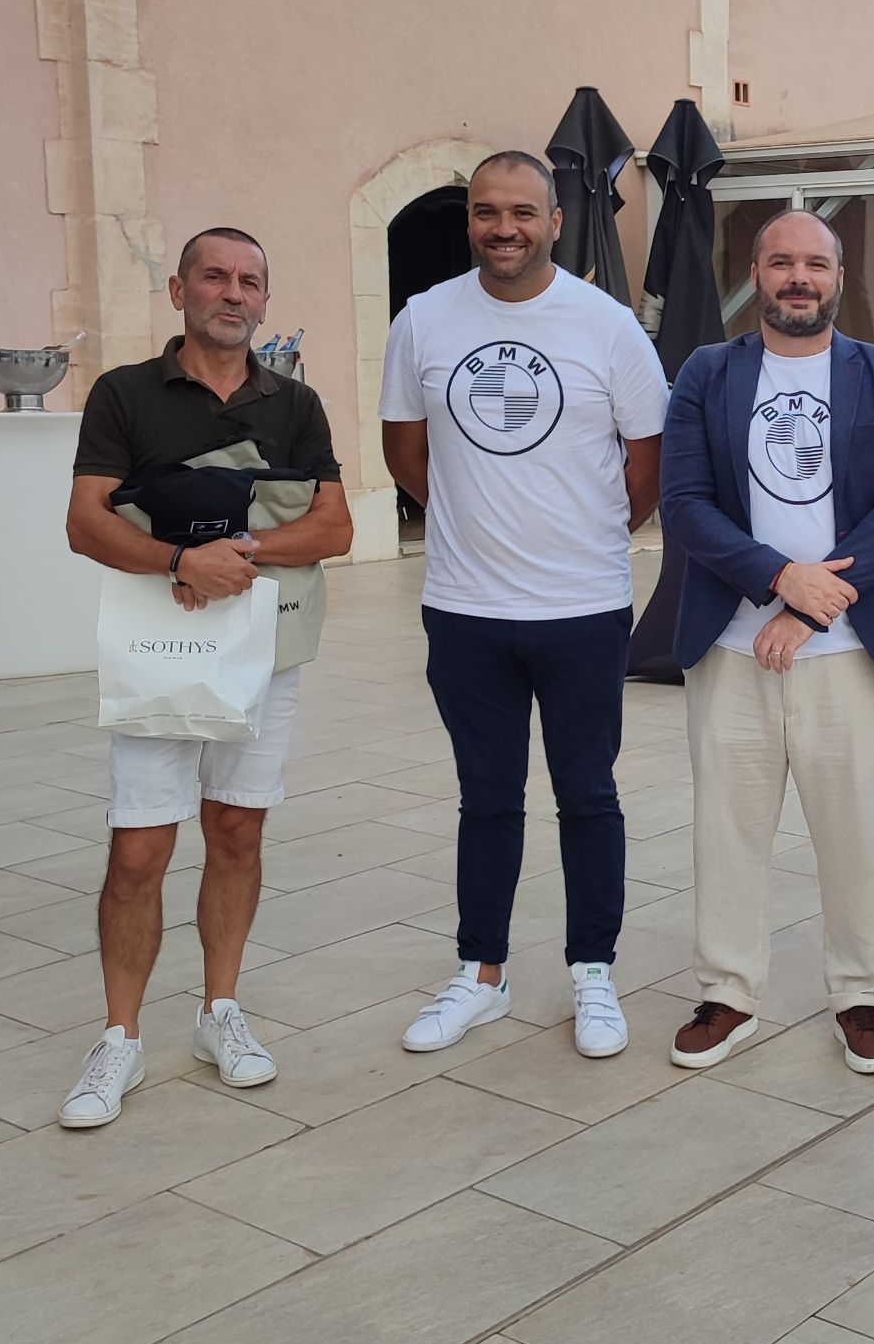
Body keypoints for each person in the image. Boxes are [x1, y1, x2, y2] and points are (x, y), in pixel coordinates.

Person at [59, 228, 353, 1127]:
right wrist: (181, 563)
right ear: (180, 290)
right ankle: (119, 1037)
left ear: (264, 300)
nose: (233, 293)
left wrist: (235, 554)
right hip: (157, 648)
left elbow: (334, 528)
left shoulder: (295, 403)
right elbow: (85, 521)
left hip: (262, 653)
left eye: (249, 281)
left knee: (235, 833)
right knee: (139, 848)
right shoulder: (124, 394)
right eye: (215, 277)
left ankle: (219, 1011)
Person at [380, 150, 667, 1058]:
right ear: (470, 220)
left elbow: (648, 463)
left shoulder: (608, 326)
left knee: (589, 795)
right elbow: (405, 452)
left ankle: (594, 972)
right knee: (487, 798)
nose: (503, 229)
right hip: (465, 608)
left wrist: (582, 534)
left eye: (522, 213)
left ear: (555, 222)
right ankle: (482, 975)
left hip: (582, 607)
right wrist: (473, 523)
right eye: (486, 212)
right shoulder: (423, 319)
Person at [660, 211, 874, 1073]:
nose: (799, 278)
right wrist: (780, 578)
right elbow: (684, 502)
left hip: (849, 653)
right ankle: (728, 992)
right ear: (756, 274)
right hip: (730, 648)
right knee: (727, 831)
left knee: (854, 834)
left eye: (816, 263)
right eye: (781, 262)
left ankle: (861, 994)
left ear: (839, 278)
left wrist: (811, 610)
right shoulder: (708, 372)